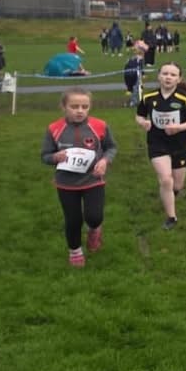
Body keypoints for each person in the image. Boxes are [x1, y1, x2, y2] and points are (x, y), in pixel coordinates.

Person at [42, 86, 118, 267]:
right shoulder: (54, 128)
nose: (80, 111)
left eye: (85, 107)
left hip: (93, 180)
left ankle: (94, 231)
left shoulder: (100, 126)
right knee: (73, 220)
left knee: (95, 217)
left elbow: (111, 147)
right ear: (64, 107)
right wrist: (55, 157)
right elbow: (45, 155)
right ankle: (75, 251)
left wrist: (104, 161)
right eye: (74, 106)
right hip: (66, 184)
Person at [134, 62, 186, 229]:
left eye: (172, 75)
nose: (168, 77)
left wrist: (179, 127)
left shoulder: (185, 98)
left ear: (179, 79)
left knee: (177, 185)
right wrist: (143, 123)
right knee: (165, 179)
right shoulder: (149, 98)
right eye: (165, 74)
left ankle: (169, 195)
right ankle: (171, 217)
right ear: (159, 76)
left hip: (181, 144)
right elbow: (139, 115)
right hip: (157, 143)